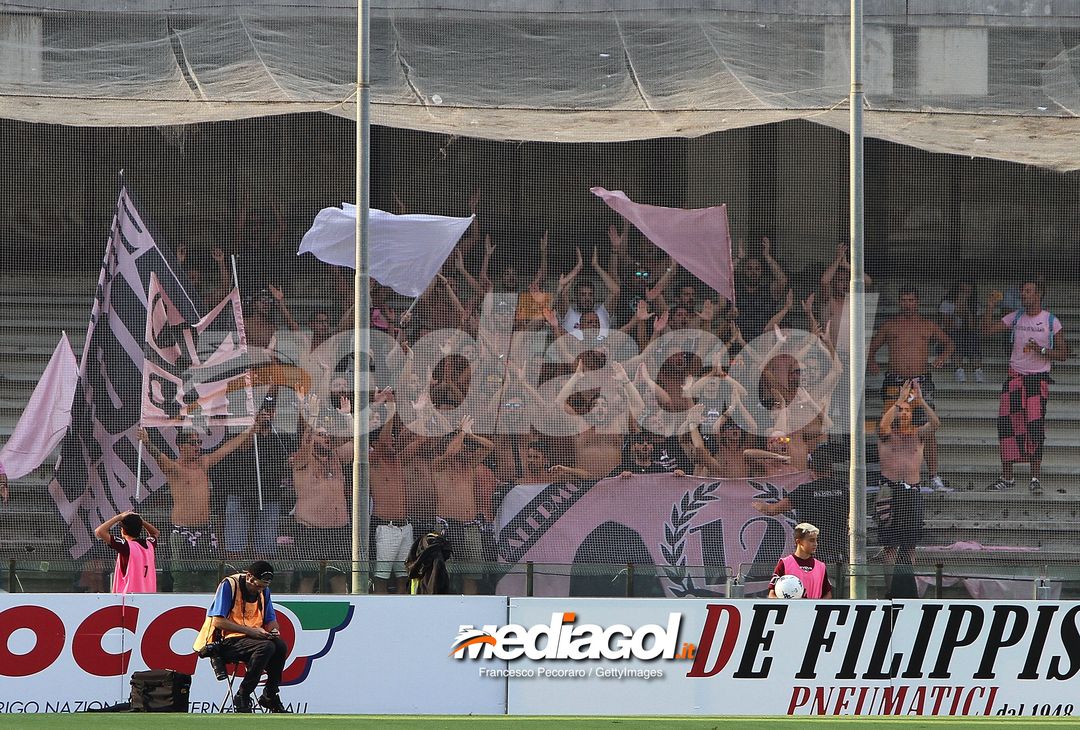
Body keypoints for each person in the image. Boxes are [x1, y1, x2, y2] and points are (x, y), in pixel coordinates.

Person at [139, 426, 254, 592]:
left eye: (199, 442)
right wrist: (147, 442)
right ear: (181, 446)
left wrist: (248, 431)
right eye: (193, 443)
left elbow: (227, 448)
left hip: (205, 531)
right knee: (181, 579)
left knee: (210, 577)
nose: (197, 447)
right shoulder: (174, 468)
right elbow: (157, 455)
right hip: (182, 533)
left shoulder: (203, 464)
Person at [982, 280, 1069, 495]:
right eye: (1022, 291)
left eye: (1029, 291)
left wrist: (1040, 350)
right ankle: (1007, 477)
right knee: (1006, 426)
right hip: (1014, 379)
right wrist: (991, 306)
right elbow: (985, 332)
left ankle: (1035, 478)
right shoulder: (1015, 317)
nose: (1024, 294)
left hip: (1036, 382)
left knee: (1035, 429)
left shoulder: (1051, 321)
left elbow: (1063, 354)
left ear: (1039, 294)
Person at [867, 284, 955, 492]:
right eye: (904, 300)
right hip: (895, 381)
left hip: (920, 382)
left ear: (918, 302)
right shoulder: (890, 325)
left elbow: (949, 343)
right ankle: (888, 476)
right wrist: (872, 361)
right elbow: (871, 347)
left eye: (911, 300)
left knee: (928, 430)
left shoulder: (927, 325)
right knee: (889, 429)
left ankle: (933, 476)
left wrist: (942, 356)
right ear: (900, 302)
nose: (908, 304)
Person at [875, 380, 938, 598]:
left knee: (910, 545)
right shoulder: (886, 435)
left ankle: (909, 590)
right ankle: (890, 590)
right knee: (890, 545)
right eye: (900, 411)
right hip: (889, 491)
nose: (903, 414)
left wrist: (920, 402)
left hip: (912, 490)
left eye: (906, 411)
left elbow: (936, 424)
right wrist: (899, 401)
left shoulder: (918, 435)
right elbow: (883, 426)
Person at [205, 561, 290, 713]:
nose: (260, 590)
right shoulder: (229, 585)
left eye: (264, 587)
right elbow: (217, 621)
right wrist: (251, 631)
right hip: (227, 641)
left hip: (253, 640)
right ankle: (243, 694)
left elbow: (270, 620)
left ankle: (270, 694)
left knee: (280, 645)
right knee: (267, 647)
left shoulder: (264, 590)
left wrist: (274, 631)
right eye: (258, 586)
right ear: (249, 576)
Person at [753, 444, 849, 564]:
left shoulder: (805, 490)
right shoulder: (843, 489)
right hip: (838, 551)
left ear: (811, 471)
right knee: (836, 582)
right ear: (830, 469)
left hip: (811, 552)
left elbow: (772, 510)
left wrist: (757, 504)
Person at [94, 511, 160, 593]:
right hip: (148, 596)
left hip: (128, 597)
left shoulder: (126, 546)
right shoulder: (149, 544)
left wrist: (118, 518)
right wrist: (140, 521)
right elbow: (155, 533)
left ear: (123, 531)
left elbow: (99, 531)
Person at [769, 523, 832, 599]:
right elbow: (772, 594)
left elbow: (827, 594)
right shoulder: (785, 563)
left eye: (816, 540)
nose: (815, 544)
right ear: (799, 542)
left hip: (812, 610)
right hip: (791, 610)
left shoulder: (821, 567)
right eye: (811, 540)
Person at [939, 279, 984, 384]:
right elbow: (947, 326)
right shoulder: (947, 303)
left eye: (967, 291)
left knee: (972, 337)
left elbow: (973, 326)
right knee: (956, 338)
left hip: (969, 334)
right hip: (951, 335)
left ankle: (978, 371)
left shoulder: (975, 305)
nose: (965, 294)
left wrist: (966, 310)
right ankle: (959, 371)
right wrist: (957, 309)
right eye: (962, 290)